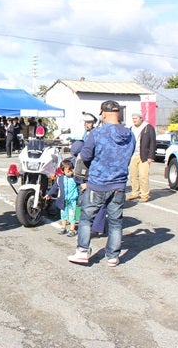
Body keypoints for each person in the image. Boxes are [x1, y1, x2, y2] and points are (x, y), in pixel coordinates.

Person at [68, 100, 135, 267]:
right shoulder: (130, 135)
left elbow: (85, 156)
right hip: (119, 183)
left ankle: (82, 251)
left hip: (98, 182)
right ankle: (113, 256)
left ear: (103, 114)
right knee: (115, 221)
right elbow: (130, 154)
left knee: (86, 219)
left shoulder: (97, 134)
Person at [126, 112, 156, 203]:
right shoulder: (131, 128)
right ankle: (135, 192)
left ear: (141, 118)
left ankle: (145, 194)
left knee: (143, 176)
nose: (134, 120)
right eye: (133, 119)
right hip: (133, 155)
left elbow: (153, 143)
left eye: (136, 118)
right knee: (133, 175)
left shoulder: (148, 128)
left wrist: (151, 156)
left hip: (144, 155)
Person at [45, 159, 79, 237]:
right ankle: (63, 227)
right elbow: (55, 187)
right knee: (63, 214)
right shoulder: (60, 179)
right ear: (63, 170)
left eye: (71, 169)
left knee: (72, 214)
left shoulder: (75, 178)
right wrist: (49, 194)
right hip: (62, 200)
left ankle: (72, 229)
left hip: (72, 200)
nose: (70, 171)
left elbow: (81, 184)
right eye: (68, 170)